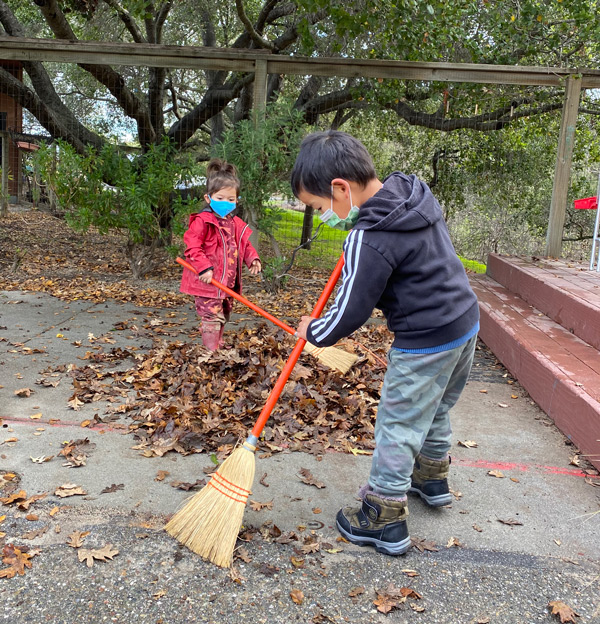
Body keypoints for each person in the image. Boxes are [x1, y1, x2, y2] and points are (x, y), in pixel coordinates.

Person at [293, 131, 479, 556]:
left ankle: (384, 515)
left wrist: (314, 331)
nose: (324, 216)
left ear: (341, 189)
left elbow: (351, 309)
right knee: (435, 407)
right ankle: (431, 476)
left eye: (321, 208)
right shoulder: (410, 194)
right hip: (464, 324)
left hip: (424, 341)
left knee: (398, 425)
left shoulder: (368, 236)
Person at [180, 158, 261, 351]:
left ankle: (217, 342)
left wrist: (252, 258)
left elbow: (244, 244)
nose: (226, 203)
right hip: (208, 282)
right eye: (220, 198)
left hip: (228, 283)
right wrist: (204, 267)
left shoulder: (235, 223)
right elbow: (192, 246)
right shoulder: (203, 221)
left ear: (237, 201)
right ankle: (211, 351)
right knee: (211, 315)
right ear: (208, 198)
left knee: (224, 313)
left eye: (231, 200)